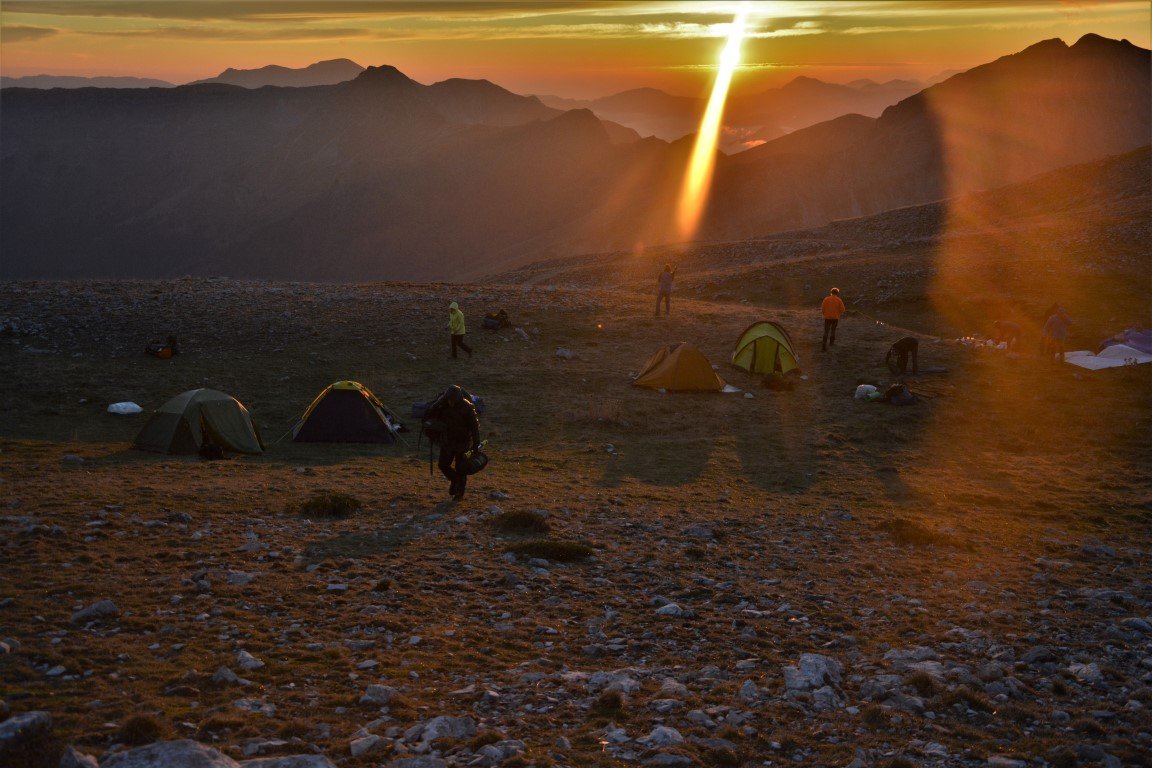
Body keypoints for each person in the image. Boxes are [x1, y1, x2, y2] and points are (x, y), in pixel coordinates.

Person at [428, 385, 482, 500]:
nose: (451, 402)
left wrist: (476, 443)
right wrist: (438, 403)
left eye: (452, 400)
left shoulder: (467, 408)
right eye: (449, 400)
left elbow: (474, 427)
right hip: (447, 442)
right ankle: (455, 480)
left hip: (463, 443)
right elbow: (430, 414)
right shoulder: (442, 405)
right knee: (443, 465)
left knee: (461, 468)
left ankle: (459, 493)